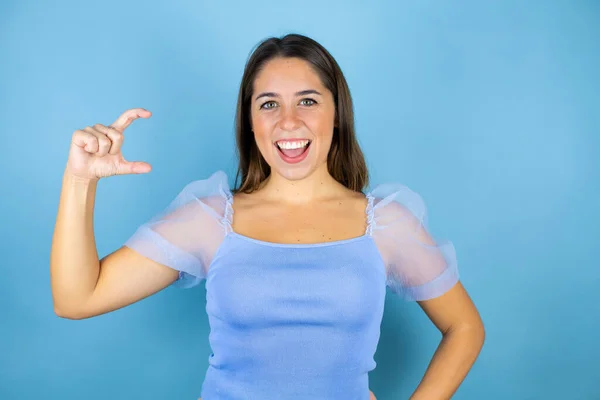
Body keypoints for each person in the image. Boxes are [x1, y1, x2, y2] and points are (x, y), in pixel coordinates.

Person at [50, 33, 485, 400]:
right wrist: (80, 179)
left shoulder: (387, 224)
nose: (289, 122)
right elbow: (77, 298)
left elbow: (465, 326)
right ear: (250, 120)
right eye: (269, 104)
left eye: (308, 101)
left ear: (337, 115)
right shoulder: (210, 220)